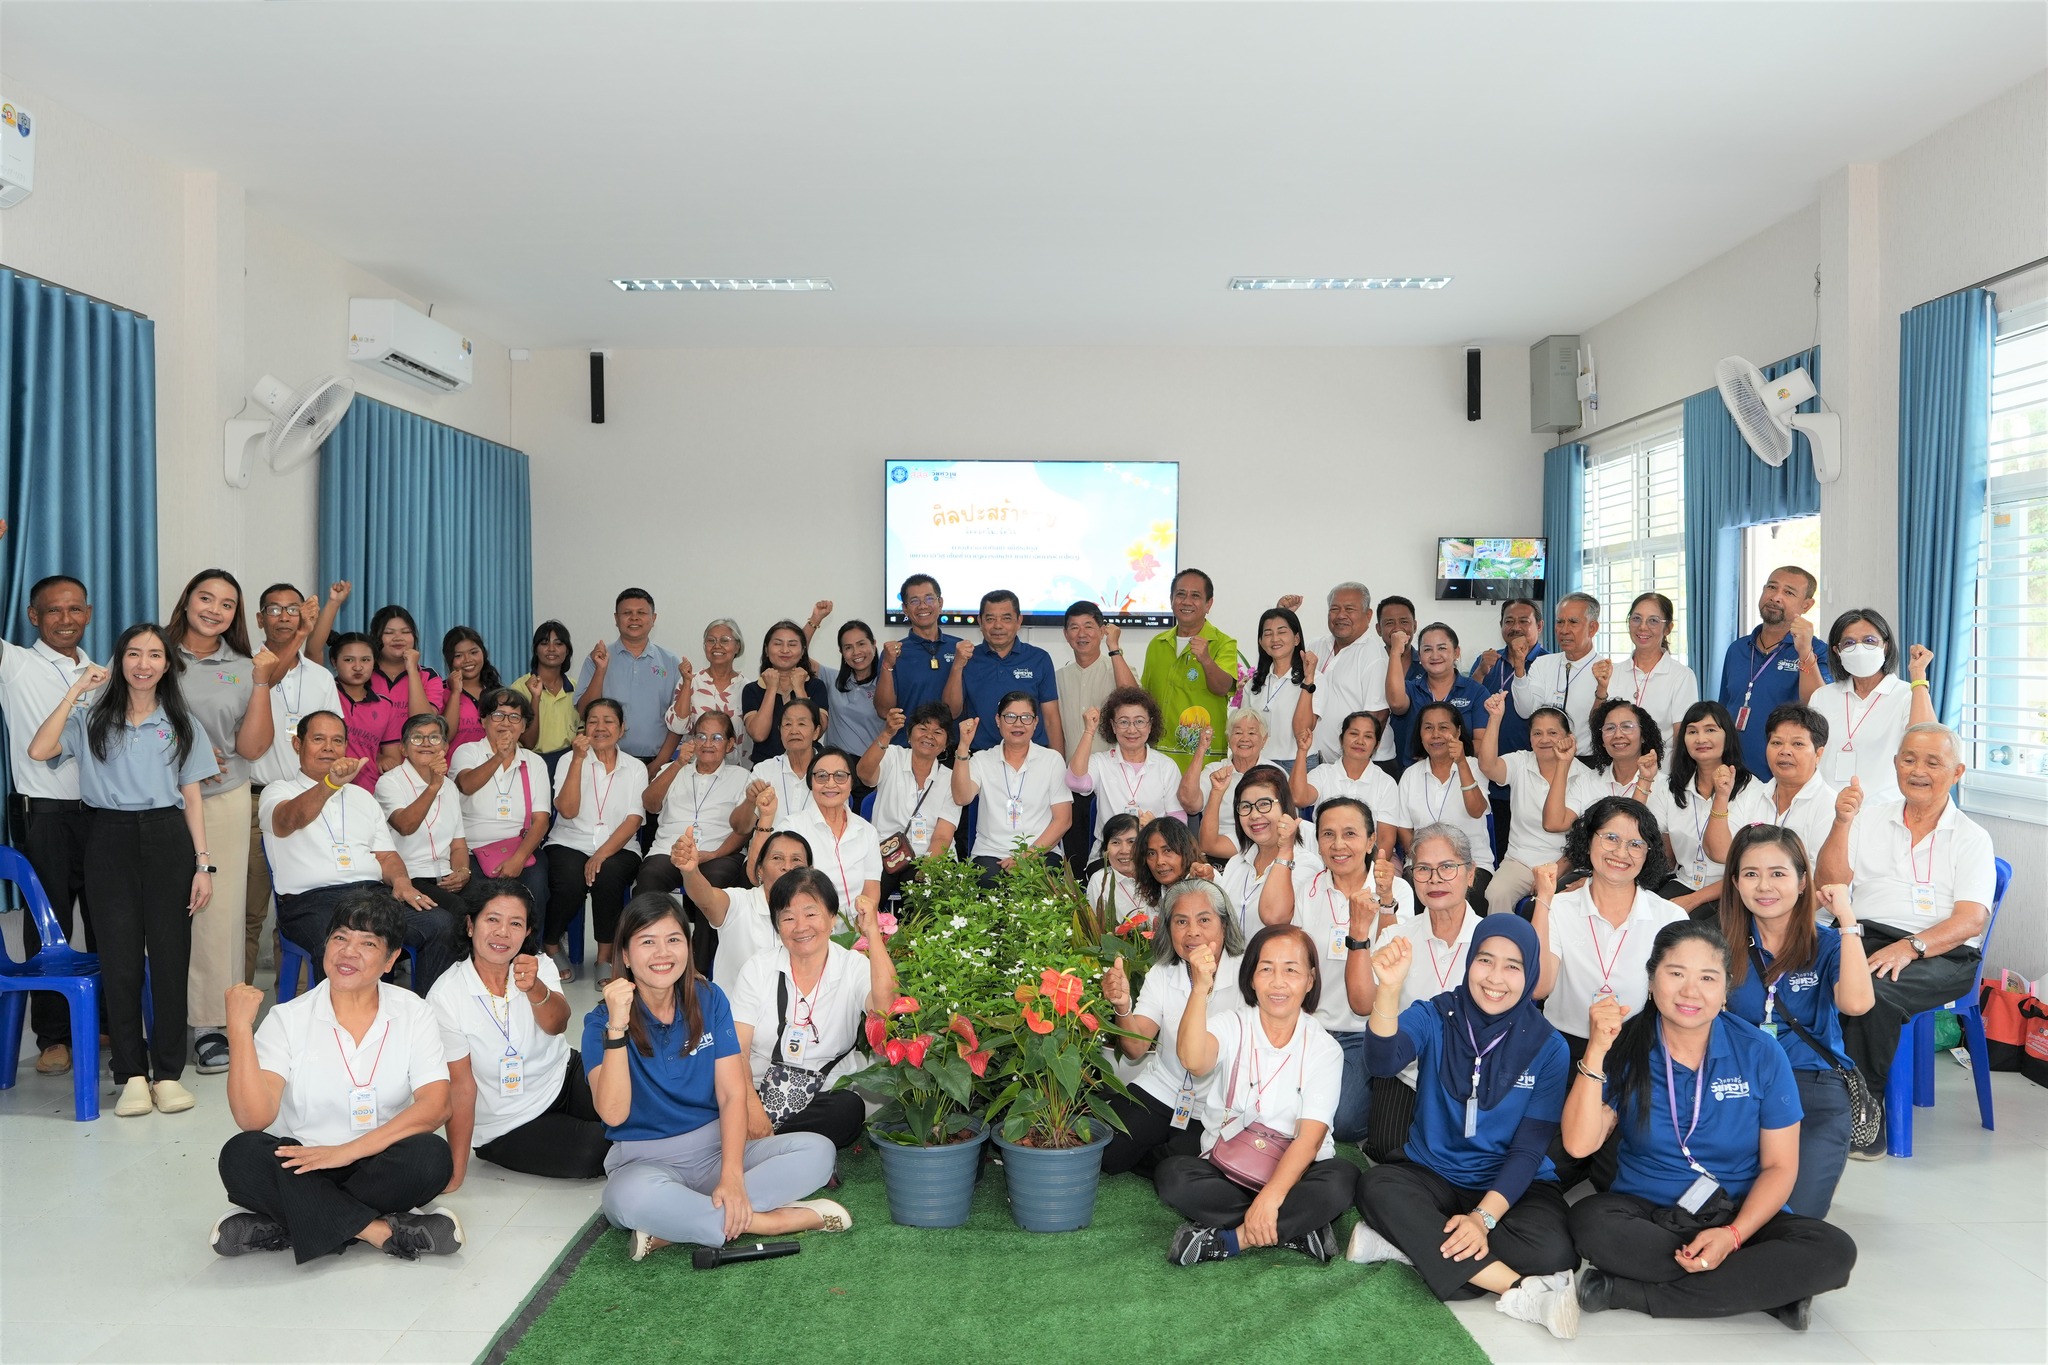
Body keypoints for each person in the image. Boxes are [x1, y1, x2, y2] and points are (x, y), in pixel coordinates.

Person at [1563, 921, 1858, 1327]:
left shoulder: (1760, 1051)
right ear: (1651, 980)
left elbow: (1780, 1167)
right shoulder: (1625, 1044)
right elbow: (1579, 1145)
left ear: (1725, 990)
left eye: (1707, 978)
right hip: (1648, 1215)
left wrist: (1733, 1236)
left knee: (1833, 1250)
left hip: (1738, 1212)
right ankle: (1766, 1291)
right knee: (1589, 1222)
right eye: (1676, 973)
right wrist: (1596, 1050)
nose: (1690, 991)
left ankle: (1629, 1292)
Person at [1352, 916, 1580, 1339]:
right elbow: (1381, 1062)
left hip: (1510, 1185)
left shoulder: (1549, 1046)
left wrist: (1482, 1219)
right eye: (1485, 960)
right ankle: (1519, 1290)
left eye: (1512, 966)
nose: (1495, 978)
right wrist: (1388, 989)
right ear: (1469, 960)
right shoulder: (1435, 1014)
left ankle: (1410, 1246)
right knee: (1376, 1186)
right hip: (1432, 1173)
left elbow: (1529, 1149)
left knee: (1554, 1252)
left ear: (1530, 973)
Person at [586, 893, 846, 1260]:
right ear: (626, 956)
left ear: (688, 947)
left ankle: (679, 1225)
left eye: (673, 939)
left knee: (818, 1151)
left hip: (718, 1148)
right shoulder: (600, 1022)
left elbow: (731, 1094)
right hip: (644, 1162)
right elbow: (613, 1114)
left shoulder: (709, 999)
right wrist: (617, 1027)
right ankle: (773, 1222)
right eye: (647, 942)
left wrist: (732, 1176)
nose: (663, 953)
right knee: (624, 1198)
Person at [212, 891, 462, 1263]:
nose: (348, 952)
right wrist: (238, 1029)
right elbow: (253, 1118)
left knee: (431, 1156)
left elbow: (437, 1106)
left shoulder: (414, 1012)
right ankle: (378, 1230)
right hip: (302, 1165)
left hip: (376, 1160)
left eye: (368, 943)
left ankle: (289, 1222)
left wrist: (345, 1152)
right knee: (241, 1155)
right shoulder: (288, 1019)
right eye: (340, 937)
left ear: (391, 959)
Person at [29, 625, 218, 1116]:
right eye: (133, 654)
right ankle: (131, 1074)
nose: (143, 663)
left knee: (171, 959)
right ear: (119, 661)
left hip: (168, 837)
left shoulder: (182, 722)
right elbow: (39, 750)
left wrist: (203, 865)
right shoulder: (91, 717)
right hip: (107, 837)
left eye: (154, 654)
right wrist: (75, 692)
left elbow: (192, 797)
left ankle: (168, 1074)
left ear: (166, 664)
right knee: (119, 960)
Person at [1818, 723, 1997, 1157]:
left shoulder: (1972, 837)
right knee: (1802, 973)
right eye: (1909, 759)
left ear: (1957, 772)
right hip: (1865, 933)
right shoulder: (1869, 818)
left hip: (1942, 952)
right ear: (1896, 764)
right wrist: (1841, 823)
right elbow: (1830, 883)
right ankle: (1812, 1094)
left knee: (1873, 993)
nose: (1918, 770)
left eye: (1933, 762)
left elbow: (1971, 920)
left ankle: (1864, 1108)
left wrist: (1912, 946)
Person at [1155, 925, 1357, 1265]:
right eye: (1266, 969)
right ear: (1251, 977)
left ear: (1310, 980)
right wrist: (1200, 988)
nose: (1278, 982)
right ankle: (1297, 1231)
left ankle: (1232, 1240)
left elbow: (1309, 1141)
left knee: (1341, 1180)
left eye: (1291, 970)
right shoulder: (1232, 1024)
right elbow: (1193, 1060)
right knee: (1173, 1175)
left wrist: (1271, 1197)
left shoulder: (1325, 1048)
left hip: (1297, 1174)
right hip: (1229, 1169)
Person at [1532, 797, 1690, 1191]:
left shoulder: (1670, 918)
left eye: (1635, 844)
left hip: (1635, 1057)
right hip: (1565, 1052)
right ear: (1588, 840)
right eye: (1611, 838)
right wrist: (1543, 901)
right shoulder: (1559, 908)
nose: (1621, 853)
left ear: (1649, 853)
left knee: (1620, 1175)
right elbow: (1539, 986)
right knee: (1549, 1165)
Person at [1716, 826, 1872, 1215]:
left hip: (1812, 1085)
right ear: (1735, 882)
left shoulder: (1829, 943)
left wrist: (1847, 919)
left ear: (1803, 882)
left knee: (1794, 1218)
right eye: (1750, 874)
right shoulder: (1718, 944)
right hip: (1740, 1085)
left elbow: (1856, 1004)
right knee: (1722, 1209)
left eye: (1778, 873)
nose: (1764, 886)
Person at [260, 711, 460, 995]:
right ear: (298, 744)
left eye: (337, 741)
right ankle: (342, 1021)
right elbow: (289, 820)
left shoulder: (362, 797)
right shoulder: (278, 791)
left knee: (440, 924)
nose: (329, 747)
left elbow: (387, 856)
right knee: (338, 944)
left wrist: (402, 882)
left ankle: (423, 1013)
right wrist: (330, 785)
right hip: (312, 902)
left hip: (371, 895)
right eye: (318, 739)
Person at [167, 569, 278, 1076]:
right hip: (157, 801)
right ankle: (160, 1022)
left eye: (227, 603)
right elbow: (122, 719)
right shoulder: (153, 653)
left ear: (236, 615)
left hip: (223, 799)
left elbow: (251, 748)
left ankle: (212, 1025)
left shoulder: (243, 666)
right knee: (160, 911)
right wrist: (183, 748)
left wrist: (261, 681)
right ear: (187, 600)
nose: (214, 609)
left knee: (219, 916)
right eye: (206, 598)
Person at [430, 880, 606, 1184]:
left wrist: (535, 988)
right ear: (470, 925)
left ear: (526, 932)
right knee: (595, 1150)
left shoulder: (537, 965)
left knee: (631, 1105)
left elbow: (558, 1024)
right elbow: (460, 1086)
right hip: (509, 1122)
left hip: (562, 1075)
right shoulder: (445, 996)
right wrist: (456, 1170)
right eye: (492, 919)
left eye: (515, 924)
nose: (502, 932)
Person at [0, 546, 100, 1077]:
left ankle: (107, 1023)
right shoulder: (15, 665)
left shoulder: (105, 673)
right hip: (44, 815)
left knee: (109, 921)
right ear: (33, 616)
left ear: (89, 613)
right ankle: (53, 1039)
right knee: (49, 926)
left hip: (104, 815)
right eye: (54, 610)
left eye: (75, 608)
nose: (66, 618)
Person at [730, 870, 897, 1150]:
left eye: (811, 914)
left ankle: (761, 1144)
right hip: (757, 1088)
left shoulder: (852, 965)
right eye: (788, 918)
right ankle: (793, 1147)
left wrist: (872, 933)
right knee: (723, 1098)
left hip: (823, 1095)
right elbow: (737, 1049)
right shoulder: (758, 968)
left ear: (832, 917)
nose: (800, 927)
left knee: (847, 1111)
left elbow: (886, 1009)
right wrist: (750, 1106)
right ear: (777, 925)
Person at [1099, 880, 1248, 1175]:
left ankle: (1167, 1154)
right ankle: (1161, 1151)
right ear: (1169, 929)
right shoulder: (1163, 972)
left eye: (1204, 920)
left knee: (1180, 1166)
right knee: (1108, 1154)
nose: (1192, 932)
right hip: (1163, 1088)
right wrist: (1122, 1005)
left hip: (1219, 1103)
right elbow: (1135, 1048)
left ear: (1224, 925)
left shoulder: (1247, 973)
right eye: (1181, 922)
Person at [1358, 824, 1487, 1162]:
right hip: (1407, 1072)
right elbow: (1369, 1008)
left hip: (1471, 1078)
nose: (1434, 879)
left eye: (1447, 867)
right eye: (1423, 869)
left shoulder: (1491, 940)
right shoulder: (1396, 938)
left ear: (1470, 874)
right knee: (1388, 1150)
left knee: (1466, 1157)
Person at [1293, 798, 1412, 1143]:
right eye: (1328, 834)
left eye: (1350, 834)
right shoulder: (1307, 889)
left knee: (1343, 1123)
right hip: (1311, 1028)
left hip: (1363, 1032)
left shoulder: (1397, 889)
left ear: (1372, 840)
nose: (1338, 845)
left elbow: (1391, 954)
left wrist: (1385, 902)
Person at [246, 585, 346, 986]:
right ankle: (238, 1005)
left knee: (300, 906)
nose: (285, 617)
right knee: (248, 913)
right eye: (275, 609)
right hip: (254, 802)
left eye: (293, 609)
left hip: (309, 804)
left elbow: (335, 741)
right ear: (259, 619)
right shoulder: (245, 667)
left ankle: (299, 1001)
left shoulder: (320, 677)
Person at [544, 699, 648, 983]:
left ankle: (605, 955)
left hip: (619, 846)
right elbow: (567, 811)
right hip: (569, 841)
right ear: (584, 728)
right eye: (593, 721)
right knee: (569, 880)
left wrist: (601, 854)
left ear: (622, 729)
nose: (600, 727)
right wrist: (578, 760)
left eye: (609, 721)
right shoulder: (568, 760)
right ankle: (551, 943)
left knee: (608, 875)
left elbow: (633, 820)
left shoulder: (636, 768)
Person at [1475, 693, 1600, 917]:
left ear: (1569, 738)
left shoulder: (1585, 777)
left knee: (1560, 907)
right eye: (1537, 733)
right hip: (1520, 861)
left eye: (1553, 733)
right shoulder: (1521, 762)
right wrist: (1494, 718)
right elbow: (1487, 765)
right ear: (1530, 738)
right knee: (1495, 894)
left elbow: (1586, 837)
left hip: (1564, 864)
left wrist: (1559, 867)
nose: (1544, 740)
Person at [667, 810, 813, 992]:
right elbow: (706, 899)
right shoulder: (739, 903)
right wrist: (690, 872)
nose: (787, 867)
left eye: (796, 860)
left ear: (810, 871)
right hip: (735, 1009)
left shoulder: (815, 915)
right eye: (777, 858)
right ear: (759, 870)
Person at [452, 688, 553, 935]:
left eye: (514, 717)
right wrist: (499, 756)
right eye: (498, 715)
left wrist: (518, 858)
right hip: (472, 850)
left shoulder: (534, 762)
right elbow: (466, 785)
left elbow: (541, 820)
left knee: (537, 887)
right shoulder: (468, 752)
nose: (506, 723)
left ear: (524, 726)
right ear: (483, 721)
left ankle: (530, 950)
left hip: (520, 847)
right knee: (477, 902)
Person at [637, 711, 751, 922]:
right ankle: (651, 940)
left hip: (718, 854)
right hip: (669, 851)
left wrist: (714, 854)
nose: (707, 744)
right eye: (701, 736)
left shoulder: (742, 777)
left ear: (729, 744)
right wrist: (677, 764)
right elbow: (650, 805)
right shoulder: (672, 769)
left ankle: (702, 944)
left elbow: (743, 830)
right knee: (650, 876)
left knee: (715, 882)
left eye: (717, 738)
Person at [1809, 611, 1935, 801]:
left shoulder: (1908, 694)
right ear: (1837, 651)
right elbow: (1809, 755)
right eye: (1849, 643)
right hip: (1827, 806)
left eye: (1869, 641)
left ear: (1885, 646)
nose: (1860, 649)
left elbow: (1927, 742)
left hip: (1884, 808)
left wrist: (1918, 676)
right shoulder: (1822, 696)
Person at [1717, 566, 1831, 776]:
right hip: (1733, 774)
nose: (1776, 597)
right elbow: (1723, 709)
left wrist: (1804, 652)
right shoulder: (1737, 648)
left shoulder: (1818, 651)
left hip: (1783, 775)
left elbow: (1819, 704)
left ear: (1806, 605)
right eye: (1771, 587)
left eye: (1788, 592)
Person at [1647, 702, 1756, 914]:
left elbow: (1753, 869)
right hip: (1685, 881)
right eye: (1692, 731)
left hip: (1733, 889)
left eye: (1710, 730)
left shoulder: (1753, 791)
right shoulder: (1670, 788)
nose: (1701, 739)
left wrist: (1693, 900)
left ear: (1728, 736)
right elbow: (1652, 846)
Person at [1054, 601, 1140, 866]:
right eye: (1074, 627)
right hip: (1072, 779)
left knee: (1114, 858)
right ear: (1066, 634)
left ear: (1102, 630)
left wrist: (1114, 648)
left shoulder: (1117, 668)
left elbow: (1133, 698)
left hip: (1112, 782)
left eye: (1089, 626)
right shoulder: (1059, 677)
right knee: (1075, 858)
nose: (1082, 634)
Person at [950, 695, 1072, 877]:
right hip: (990, 852)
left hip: (1039, 853)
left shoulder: (1052, 760)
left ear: (1036, 722)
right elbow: (961, 798)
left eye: (1026, 717)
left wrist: (1025, 857)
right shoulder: (982, 760)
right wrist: (963, 746)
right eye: (1010, 717)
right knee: (987, 883)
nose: (1018, 724)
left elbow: (1063, 820)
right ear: (998, 720)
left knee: (1038, 885)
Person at [856, 703, 963, 899]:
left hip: (930, 856)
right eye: (923, 728)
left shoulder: (951, 779)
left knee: (922, 892)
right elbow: (864, 775)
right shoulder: (892, 756)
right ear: (909, 734)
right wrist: (886, 734)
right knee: (866, 898)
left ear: (946, 743)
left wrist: (926, 870)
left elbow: (942, 837)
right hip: (886, 853)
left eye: (938, 732)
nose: (929, 736)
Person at [1282, 582, 1392, 772]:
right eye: (1334, 609)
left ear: (1368, 615)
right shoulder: (1316, 646)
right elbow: (1281, 662)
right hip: (1322, 765)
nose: (1341, 615)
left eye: (1349, 609)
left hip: (1362, 765)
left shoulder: (1373, 655)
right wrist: (1284, 616)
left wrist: (1352, 764)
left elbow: (1377, 716)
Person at [374, 714, 473, 921]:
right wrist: (434, 786)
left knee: (491, 903)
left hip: (446, 876)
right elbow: (405, 825)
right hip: (409, 877)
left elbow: (458, 845)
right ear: (403, 748)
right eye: (417, 738)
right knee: (459, 911)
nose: (426, 743)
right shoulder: (389, 782)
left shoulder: (450, 787)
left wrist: (462, 872)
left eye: (434, 738)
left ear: (445, 747)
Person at [1067, 687, 1182, 863]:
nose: (1131, 729)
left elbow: (1178, 820)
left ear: (1150, 725)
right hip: (1107, 856)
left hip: (1151, 855)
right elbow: (1076, 783)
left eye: (1139, 721)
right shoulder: (1101, 762)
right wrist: (1089, 731)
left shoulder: (1166, 766)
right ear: (1113, 726)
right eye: (1123, 722)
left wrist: (1156, 827)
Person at [771, 746, 882, 926]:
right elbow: (782, 889)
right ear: (811, 782)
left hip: (857, 930)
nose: (830, 784)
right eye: (822, 776)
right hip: (808, 929)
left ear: (851, 782)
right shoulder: (791, 828)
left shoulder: (867, 831)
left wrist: (861, 931)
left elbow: (871, 890)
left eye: (840, 776)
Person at [1471, 598, 1547, 860]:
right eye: (1509, 621)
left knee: (1534, 850)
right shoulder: (1488, 661)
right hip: (1492, 772)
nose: (1516, 627)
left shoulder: (1549, 663)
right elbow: (1470, 702)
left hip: (1532, 777)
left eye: (1524, 621)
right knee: (1498, 847)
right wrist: (1481, 672)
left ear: (1539, 626)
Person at [1141, 568, 1239, 771]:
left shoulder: (1223, 643)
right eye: (1180, 594)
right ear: (1171, 600)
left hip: (1204, 759)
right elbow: (1146, 698)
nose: (1186, 601)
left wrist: (1206, 660)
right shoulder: (1157, 644)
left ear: (1208, 604)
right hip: (1157, 757)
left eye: (1195, 596)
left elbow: (1222, 688)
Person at [947, 590, 1064, 758]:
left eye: (1006, 618)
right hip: (980, 757)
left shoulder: (1039, 658)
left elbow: (1051, 719)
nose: (998, 626)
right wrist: (957, 666)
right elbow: (951, 711)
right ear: (980, 622)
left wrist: (1059, 763)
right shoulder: (968, 659)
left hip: (1033, 757)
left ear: (1019, 620)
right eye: (990, 619)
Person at [1715, 704, 1838, 860]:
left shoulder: (1831, 806)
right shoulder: (1751, 795)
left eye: (1798, 744)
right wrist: (1721, 797)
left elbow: (1821, 871)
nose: (1785, 751)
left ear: (1818, 754)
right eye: (1776, 743)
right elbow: (1721, 853)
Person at [1395, 702, 1494, 890]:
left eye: (1443, 727)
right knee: (1409, 894)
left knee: (1471, 896)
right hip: (1422, 864)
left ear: (1458, 731)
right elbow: (1404, 828)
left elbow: (1476, 810)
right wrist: (1421, 861)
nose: (1435, 734)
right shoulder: (1410, 775)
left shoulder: (1474, 767)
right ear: (1420, 734)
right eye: (1428, 728)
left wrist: (1461, 763)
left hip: (1470, 864)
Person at [579, 589, 683, 767]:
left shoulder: (671, 662)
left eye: (641, 613)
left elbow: (679, 721)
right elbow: (584, 712)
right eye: (627, 613)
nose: (634, 618)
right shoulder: (597, 658)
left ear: (653, 618)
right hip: (605, 762)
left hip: (657, 762)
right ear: (616, 618)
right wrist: (600, 670)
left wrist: (659, 764)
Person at [1291, 710, 1402, 858]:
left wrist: (1371, 869)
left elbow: (1385, 839)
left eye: (1368, 736)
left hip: (1368, 859)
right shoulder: (1323, 773)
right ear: (1341, 739)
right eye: (1354, 734)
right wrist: (1302, 751)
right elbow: (1298, 798)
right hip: (1323, 857)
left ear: (1377, 744)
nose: (1360, 741)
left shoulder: (1386, 783)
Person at [1385, 622, 1490, 776]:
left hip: (1462, 774)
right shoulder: (1411, 689)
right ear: (1419, 656)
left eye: (1442, 648)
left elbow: (1482, 744)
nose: (1435, 656)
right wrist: (1395, 652)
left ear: (1456, 652)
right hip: (1418, 776)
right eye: (1427, 649)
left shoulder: (1476, 692)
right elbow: (1396, 704)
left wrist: (1441, 752)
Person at [1210, 766, 1301, 939]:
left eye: (1264, 804)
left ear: (1285, 807)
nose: (1254, 815)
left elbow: (1274, 918)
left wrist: (1285, 852)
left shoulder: (1305, 865)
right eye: (1246, 806)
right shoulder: (1236, 863)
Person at [874, 574, 962, 743]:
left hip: (949, 747)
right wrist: (887, 664)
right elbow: (884, 711)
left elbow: (956, 710)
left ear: (940, 603)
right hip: (906, 747)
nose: (923, 606)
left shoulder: (959, 649)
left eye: (929, 598)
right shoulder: (894, 652)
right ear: (905, 609)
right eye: (914, 601)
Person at [1511, 592, 1602, 756]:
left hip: (1585, 761)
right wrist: (1519, 667)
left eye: (1573, 622)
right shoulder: (1543, 664)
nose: (1564, 630)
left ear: (1592, 628)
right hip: (1545, 759)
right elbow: (1526, 711)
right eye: (1560, 622)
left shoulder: (1605, 671)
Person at [1601, 593, 1699, 738]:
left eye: (1653, 621)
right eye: (1636, 619)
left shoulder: (1682, 676)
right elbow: (1598, 726)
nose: (1642, 627)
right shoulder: (1612, 672)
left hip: (1662, 754)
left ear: (1668, 628)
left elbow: (1682, 736)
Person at [1184, 709, 1272, 858]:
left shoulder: (1274, 773)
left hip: (1261, 848)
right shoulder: (1214, 770)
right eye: (1238, 733)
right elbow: (1191, 804)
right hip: (1215, 850)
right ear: (1228, 739)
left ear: (1263, 740)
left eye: (1252, 733)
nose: (1244, 738)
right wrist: (1201, 749)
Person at [743, 620, 831, 765]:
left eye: (792, 644)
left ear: (802, 651)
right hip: (765, 768)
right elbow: (758, 735)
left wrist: (799, 688)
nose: (785, 650)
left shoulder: (816, 686)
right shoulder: (752, 689)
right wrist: (771, 689)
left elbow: (818, 731)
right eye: (778, 644)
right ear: (766, 650)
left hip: (810, 766)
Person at [1243, 607, 1317, 769]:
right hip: (1261, 763)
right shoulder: (1253, 683)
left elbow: (1302, 732)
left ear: (1296, 639)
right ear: (1261, 642)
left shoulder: (1314, 679)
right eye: (1268, 634)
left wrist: (1308, 681)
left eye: (1282, 632)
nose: (1275, 639)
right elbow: (1245, 728)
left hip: (1299, 761)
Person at [662, 618, 746, 760]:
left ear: (737, 646)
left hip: (736, 769)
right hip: (694, 768)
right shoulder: (690, 681)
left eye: (724, 640)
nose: (717, 646)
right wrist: (687, 682)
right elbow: (677, 727)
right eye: (711, 640)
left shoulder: (747, 688)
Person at [330, 632, 399, 790]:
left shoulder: (385, 705)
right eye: (348, 660)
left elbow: (393, 759)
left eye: (365, 660)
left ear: (374, 662)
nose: (358, 667)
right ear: (334, 662)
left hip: (369, 791)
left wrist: (380, 757)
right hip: (328, 787)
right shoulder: (325, 694)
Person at [511, 620, 580, 776]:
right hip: (531, 762)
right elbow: (528, 742)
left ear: (567, 650)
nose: (551, 649)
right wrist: (535, 698)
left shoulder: (576, 688)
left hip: (568, 761)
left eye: (558, 643)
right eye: (544, 643)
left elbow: (582, 731)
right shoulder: (519, 688)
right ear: (535, 650)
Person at [746, 698, 825, 829]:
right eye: (787, 724)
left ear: (816, 732)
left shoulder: (830, 773)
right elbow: (741, 828)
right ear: (780, 731)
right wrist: (750, 801)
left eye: (801, 724)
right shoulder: (764, 770)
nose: (794, 731)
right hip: (770, 842)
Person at [819, 620, 886, 761]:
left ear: (873, 644)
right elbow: (798, 656)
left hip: (871, 765)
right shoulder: (832, 679)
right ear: (842, 652)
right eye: (848, 647)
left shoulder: (887, 685)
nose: (856, 652)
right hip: (834, 764)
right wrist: (815, 620)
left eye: (861, 644)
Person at [1585, 699, 1664, 808]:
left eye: (1626, 726)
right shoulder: (1586, 781)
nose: (1618, 735)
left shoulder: (1666, 787)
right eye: (1610, 728)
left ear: (1643, 735)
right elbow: (1560, 819)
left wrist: (1645, 780)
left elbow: (1632, 819)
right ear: (1602, 740)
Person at [438, 626, 499, 755]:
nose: (468, 660)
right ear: (449, 659)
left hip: (494, 765)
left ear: (483, 653)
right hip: (454, 766)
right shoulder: (440, 692)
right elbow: (444, 738)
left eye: (473, 652)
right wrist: (455, 693)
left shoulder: (498, 692)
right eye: (458, 655)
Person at [1136, 815, 1215, 911]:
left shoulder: (1202, 876)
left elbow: (1207, 875)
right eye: (1151, 853)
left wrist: (1201, 879)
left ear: (1186, 850)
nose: (1159, 861)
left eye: (1167, 851)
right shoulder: (1152, 895)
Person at [1086, 813, 1144, 917]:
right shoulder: (1099, 882)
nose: (1124, 850)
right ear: (1105, 850)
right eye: (1116, 843)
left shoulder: (1157, 876)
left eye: (1131, 842)